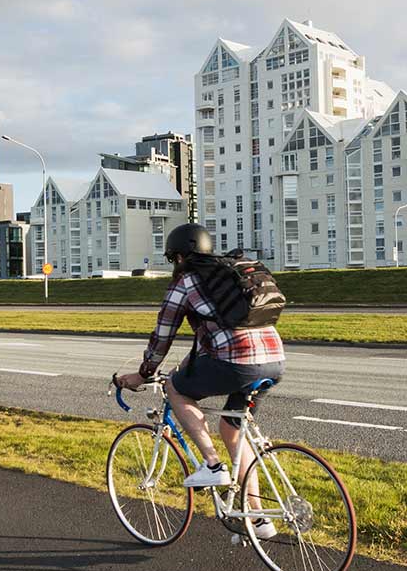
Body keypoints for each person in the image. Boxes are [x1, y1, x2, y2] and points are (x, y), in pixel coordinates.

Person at [113, 222, 285, 537]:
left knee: (175, 389)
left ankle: (213, 465)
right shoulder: (229, 274)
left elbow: (162, 336)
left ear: (179, 257)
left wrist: (143, 374)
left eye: (172, 260)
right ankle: (259, 518)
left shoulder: (187, 283)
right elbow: (211, 336)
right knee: (233, 430)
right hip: (274, 360)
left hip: (237, 363)